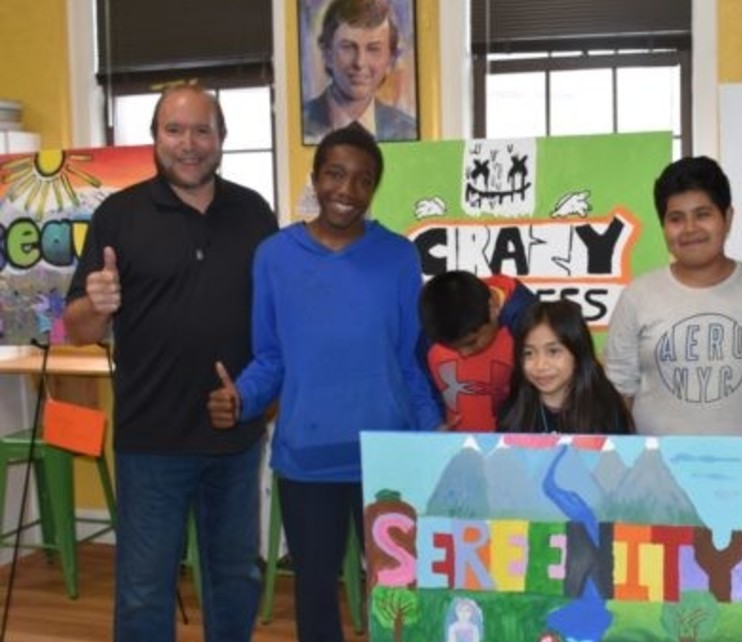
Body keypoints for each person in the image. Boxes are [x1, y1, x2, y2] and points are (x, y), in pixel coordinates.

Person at [206, 123, 441, 642]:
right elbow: (271, 357)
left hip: (389, 456)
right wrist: (241, 398)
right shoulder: (274, 256)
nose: (347, 191)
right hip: (307, 457)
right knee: (314, 592)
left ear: (373, 188)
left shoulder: (399, 257)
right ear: (315, 178)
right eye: (335, 174)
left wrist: (433, 432)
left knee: (399, 595)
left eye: (363, 180)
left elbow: (409, 361)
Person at [62, 85, 278, 642]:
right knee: (142, 590)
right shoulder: (118, 216)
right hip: (151, 440)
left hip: (235, 437)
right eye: (175, 131)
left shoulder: (254, 213)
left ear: (222, 138)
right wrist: (96, 304)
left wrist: (259, 396)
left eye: (202, 130)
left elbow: (276, 326)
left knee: (235, 576)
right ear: (155, 137)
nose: (189, 144)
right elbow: (78, 330)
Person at [603, 156, 742, 642]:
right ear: (663, 226)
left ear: (727, 216)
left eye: (702, 214)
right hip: (662, 491)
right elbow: (616, 389)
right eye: (675, 218)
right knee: (662, 612)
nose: (690, 228)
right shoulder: (641, 296)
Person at [419, 270, 537, 432]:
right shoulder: (435, 322)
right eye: (452, 348)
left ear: (493, 308)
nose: (464, 354)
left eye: (472, 342)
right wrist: (432, 423)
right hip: (454, 449)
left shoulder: (530, 322)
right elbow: (419, 381)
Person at [498, 299, 633, 434]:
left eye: (553, 351)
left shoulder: (607, 412)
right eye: (528, 353)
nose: (540, 365)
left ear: (578, 351)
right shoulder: (513, 413)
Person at [302, 0, 417, 144]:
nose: (359, 63)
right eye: (348, 47)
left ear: (390, 60)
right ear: (327, 54)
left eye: (373, 49)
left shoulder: (407, 131)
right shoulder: (300, 124)